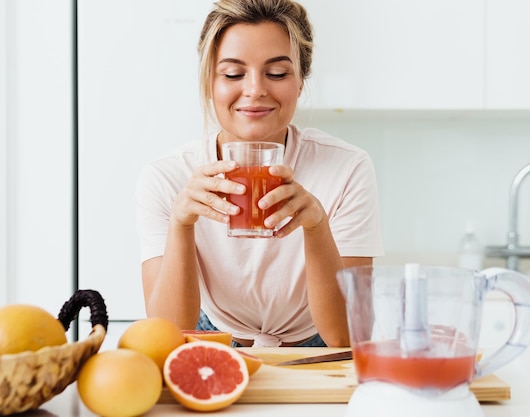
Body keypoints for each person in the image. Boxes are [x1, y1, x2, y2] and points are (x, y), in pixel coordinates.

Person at [135, 0, 384, 348]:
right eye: (234, 74)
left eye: (278, 73)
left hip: (315, 342)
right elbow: (167, 335)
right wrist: (181, 224)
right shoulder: (166, 178)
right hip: (212, 336)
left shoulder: (347, 168)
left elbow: (347, 337)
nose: (255, 90)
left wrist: (316, 227)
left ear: (300, 82)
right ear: (210, 83)